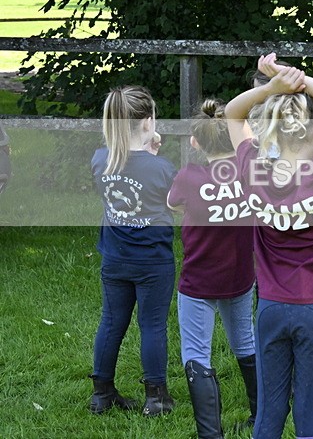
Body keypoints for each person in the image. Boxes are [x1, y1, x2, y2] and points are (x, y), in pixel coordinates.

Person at [226, 53, 313, 439]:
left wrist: (272, 86)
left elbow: (233, 115)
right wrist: (298, 79)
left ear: (272, 131)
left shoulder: (253, 167)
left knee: (268, 414)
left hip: (269, 307)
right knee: (309, 415)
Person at [167, 99, 258, 438]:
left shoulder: (188, 176)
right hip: (239, 278)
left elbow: (172, 205)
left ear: (196, 142)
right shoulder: (249, 173)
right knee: (245, 342)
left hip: (198, 281)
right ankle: (261, 415)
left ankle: (210, 433)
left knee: (196, 354)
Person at [89, 86, 177, 415]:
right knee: (152, 325)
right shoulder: (163, 168)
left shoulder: (100, 159)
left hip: (114, 257)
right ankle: (156, 398)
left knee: (111, 321)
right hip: (153, 261)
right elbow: (176, 204)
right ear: (148, 122)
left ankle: (102, 393)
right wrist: (153, 159)